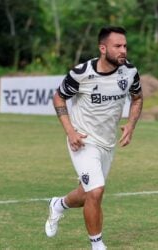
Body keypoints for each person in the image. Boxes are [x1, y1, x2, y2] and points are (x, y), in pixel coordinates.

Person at [44, 26, 143, 250]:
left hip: (107, 144)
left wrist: (131, 124)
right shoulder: (81, 73)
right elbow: (59, 98)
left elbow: (137, 98)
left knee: (85, 194)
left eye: (125, 46)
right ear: (103, 48)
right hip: (83, 140)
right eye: (118, 46)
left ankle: (58, 205)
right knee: (96, 191)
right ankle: (97, 245)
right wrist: (70, 131)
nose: (123, 50)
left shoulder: (129, 71)